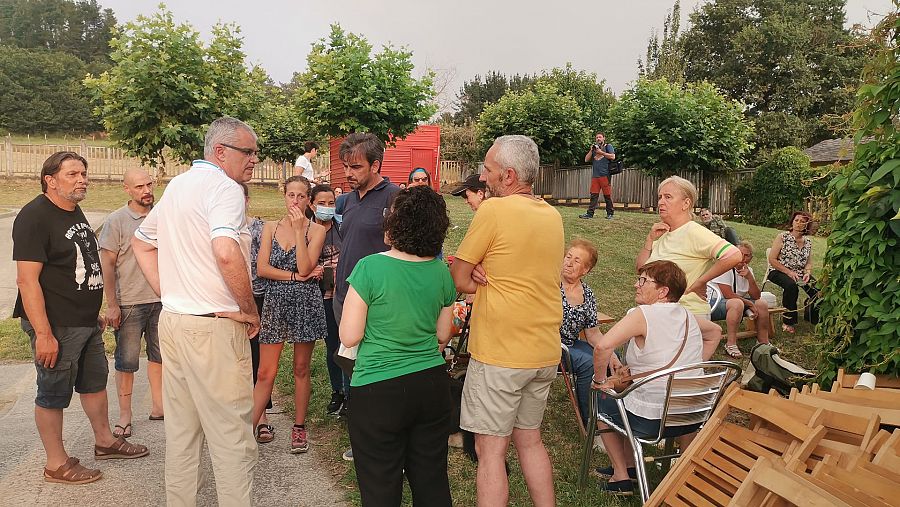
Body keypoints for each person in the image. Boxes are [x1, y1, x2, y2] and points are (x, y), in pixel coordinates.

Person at [132, 116, 260, 506]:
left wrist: (170, 291)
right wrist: (250, 309)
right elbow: (226, 251)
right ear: (220, 152)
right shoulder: (225, 188)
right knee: (232, 441)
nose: (254, 160)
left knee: (183, 436)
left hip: (174, 322)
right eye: (248, 152)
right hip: (214, 327)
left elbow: (142, 242)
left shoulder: (179, 185)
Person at [14, 151, 148, 486]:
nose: (82, 180)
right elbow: (26, 281)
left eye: (83, 174)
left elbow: (81, 265)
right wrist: (44, 334)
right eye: (73, 174)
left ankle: (105, 441)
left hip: (85, 321)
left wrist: (96, 311)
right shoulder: (35, 217)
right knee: (53, 391)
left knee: (93, 382)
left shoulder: (72, 209)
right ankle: (55, 464)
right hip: (56, 324)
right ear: (51, 180)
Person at [450, 135, 563, 507]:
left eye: (489, 169)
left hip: (501, 354)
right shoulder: (552, 215)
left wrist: (477, 269)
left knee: (490, 450)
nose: (484, 177)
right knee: (530, 439)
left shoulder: (493, 212)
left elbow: (459, 279)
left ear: (509, 175)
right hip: (544, 351)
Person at [340, 186, 456, 506]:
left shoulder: (369, 267)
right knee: (431, 480)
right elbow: (443, 335)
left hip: (379, 388)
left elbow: (349, 336)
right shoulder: (441, 272)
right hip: (431, 385)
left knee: (380, 485)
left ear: (396, 223)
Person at [591, 260, 704, 496]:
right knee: (626, 395)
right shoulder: (688, 315)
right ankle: (632, 467)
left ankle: (621, 476)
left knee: (603, 399)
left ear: (663, 291)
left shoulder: (642, 314)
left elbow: (602, 347)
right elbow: (714, 332)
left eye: (643, 281)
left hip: (653, 421)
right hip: (691, 418)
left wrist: (601, 381)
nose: (636, 284)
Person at [334, 132, 401, 461]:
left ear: (376, 165)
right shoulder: (344, 201)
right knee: (350, 369)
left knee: (377, 373)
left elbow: (404, 250)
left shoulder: (394, 197)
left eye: (356, 167)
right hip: (344, 297)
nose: (348, 173)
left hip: (377, 302)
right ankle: (360, 439)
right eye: (345, 166)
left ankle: (385, 441)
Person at [252, 176, 327, 453]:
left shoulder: (316, 231)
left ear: (308, 200)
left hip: (305, 304)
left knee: (301, 368)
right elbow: (262, 269)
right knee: (264, 371)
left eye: (300, 196)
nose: (294, 201)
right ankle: (248, 428)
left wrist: (298, 232)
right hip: (275, 302)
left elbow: (307, 266)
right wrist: (295, 277)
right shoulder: (270, 227)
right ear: (284, 196)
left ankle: (298, 427)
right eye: (290, 195)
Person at [635, 176, 741, 360]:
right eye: (660, 197)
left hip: (688, 313)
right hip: (659, 316)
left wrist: (700, 282)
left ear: (686, 203)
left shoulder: (694, 231)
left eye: (668, 197)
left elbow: (734, 255)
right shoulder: (664, 234)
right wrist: (650, 240)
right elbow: (641, 270)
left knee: (676, 379)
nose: (661, 202)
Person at [99, 168, 163, 439]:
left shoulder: (164, 215)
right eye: (139, 187)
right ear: (127, 189)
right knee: (126, 362)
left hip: (162, 299)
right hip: (130, 303)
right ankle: (125, 414)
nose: (146, 191)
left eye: (149, 185)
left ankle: (159, 406)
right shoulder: (116, 221)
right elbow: (107, 264)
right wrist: (112, 304)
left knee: (161, 357)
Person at [559, 238, 620, 425]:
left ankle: (609, 418)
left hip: (570, 344)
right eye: (568, 257)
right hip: (548, 343)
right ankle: (591, 423)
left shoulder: (587, 293)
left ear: (585, 270)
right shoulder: (549, 284)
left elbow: (593, 333)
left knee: (611, 358)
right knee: (588, 363)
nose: (569, 262)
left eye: (576, 260)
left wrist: (608, 351)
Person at [308, 183, 347, 416]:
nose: (326, 207)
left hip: (344, 295)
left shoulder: (343, 227)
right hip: (321, 296)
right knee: (332, 346)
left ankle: (351, 393)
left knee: (347, 344)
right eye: (321, 203)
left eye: (331, 203)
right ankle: (337, 392)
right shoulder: (306, 232)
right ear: (312, 205)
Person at [242, 182, 272, 442]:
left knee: (257, 359)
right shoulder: (215, 228)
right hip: (227, 302)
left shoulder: (259, 228)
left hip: (258, 297)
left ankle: (261, 417)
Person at [709, 241, 770, 358]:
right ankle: (731, 343)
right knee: (737, 303)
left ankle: (763, 342)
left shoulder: (748, 270)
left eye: (747, 255)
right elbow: (727, 294)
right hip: (715, 302)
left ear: (751, 258)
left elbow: (756, 296)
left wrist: (750, 278)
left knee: (761, 303)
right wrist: (748, 303)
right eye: (740, 254)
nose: (742, 258)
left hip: (736, 302)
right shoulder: (725, 267)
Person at [767, 211, 818, 334]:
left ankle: (812, 316)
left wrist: (807, 272)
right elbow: (772, 259)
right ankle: (788, 321)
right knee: (791, 286)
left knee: (818, 289)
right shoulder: (782, 237)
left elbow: (808, 262)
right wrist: (789, 272)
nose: (799, 223)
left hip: (800, 273)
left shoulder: (808, 242)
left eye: (802, 221)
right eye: (796, 220)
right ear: (792, 222)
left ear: (807, 225)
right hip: (778, 271)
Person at [580, 132, 616, 220]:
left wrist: (601, 152)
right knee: (593, 195)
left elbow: (613, 157)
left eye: (600, 137)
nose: (598, 139)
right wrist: (591, 150)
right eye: (597, 138)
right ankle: (590, 214)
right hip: (595, 176)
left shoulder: (608, 146)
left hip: (605, 175)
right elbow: (586, 159)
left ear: (604, 138)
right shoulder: (594, 149)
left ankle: (610, 213)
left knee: (607, 195)